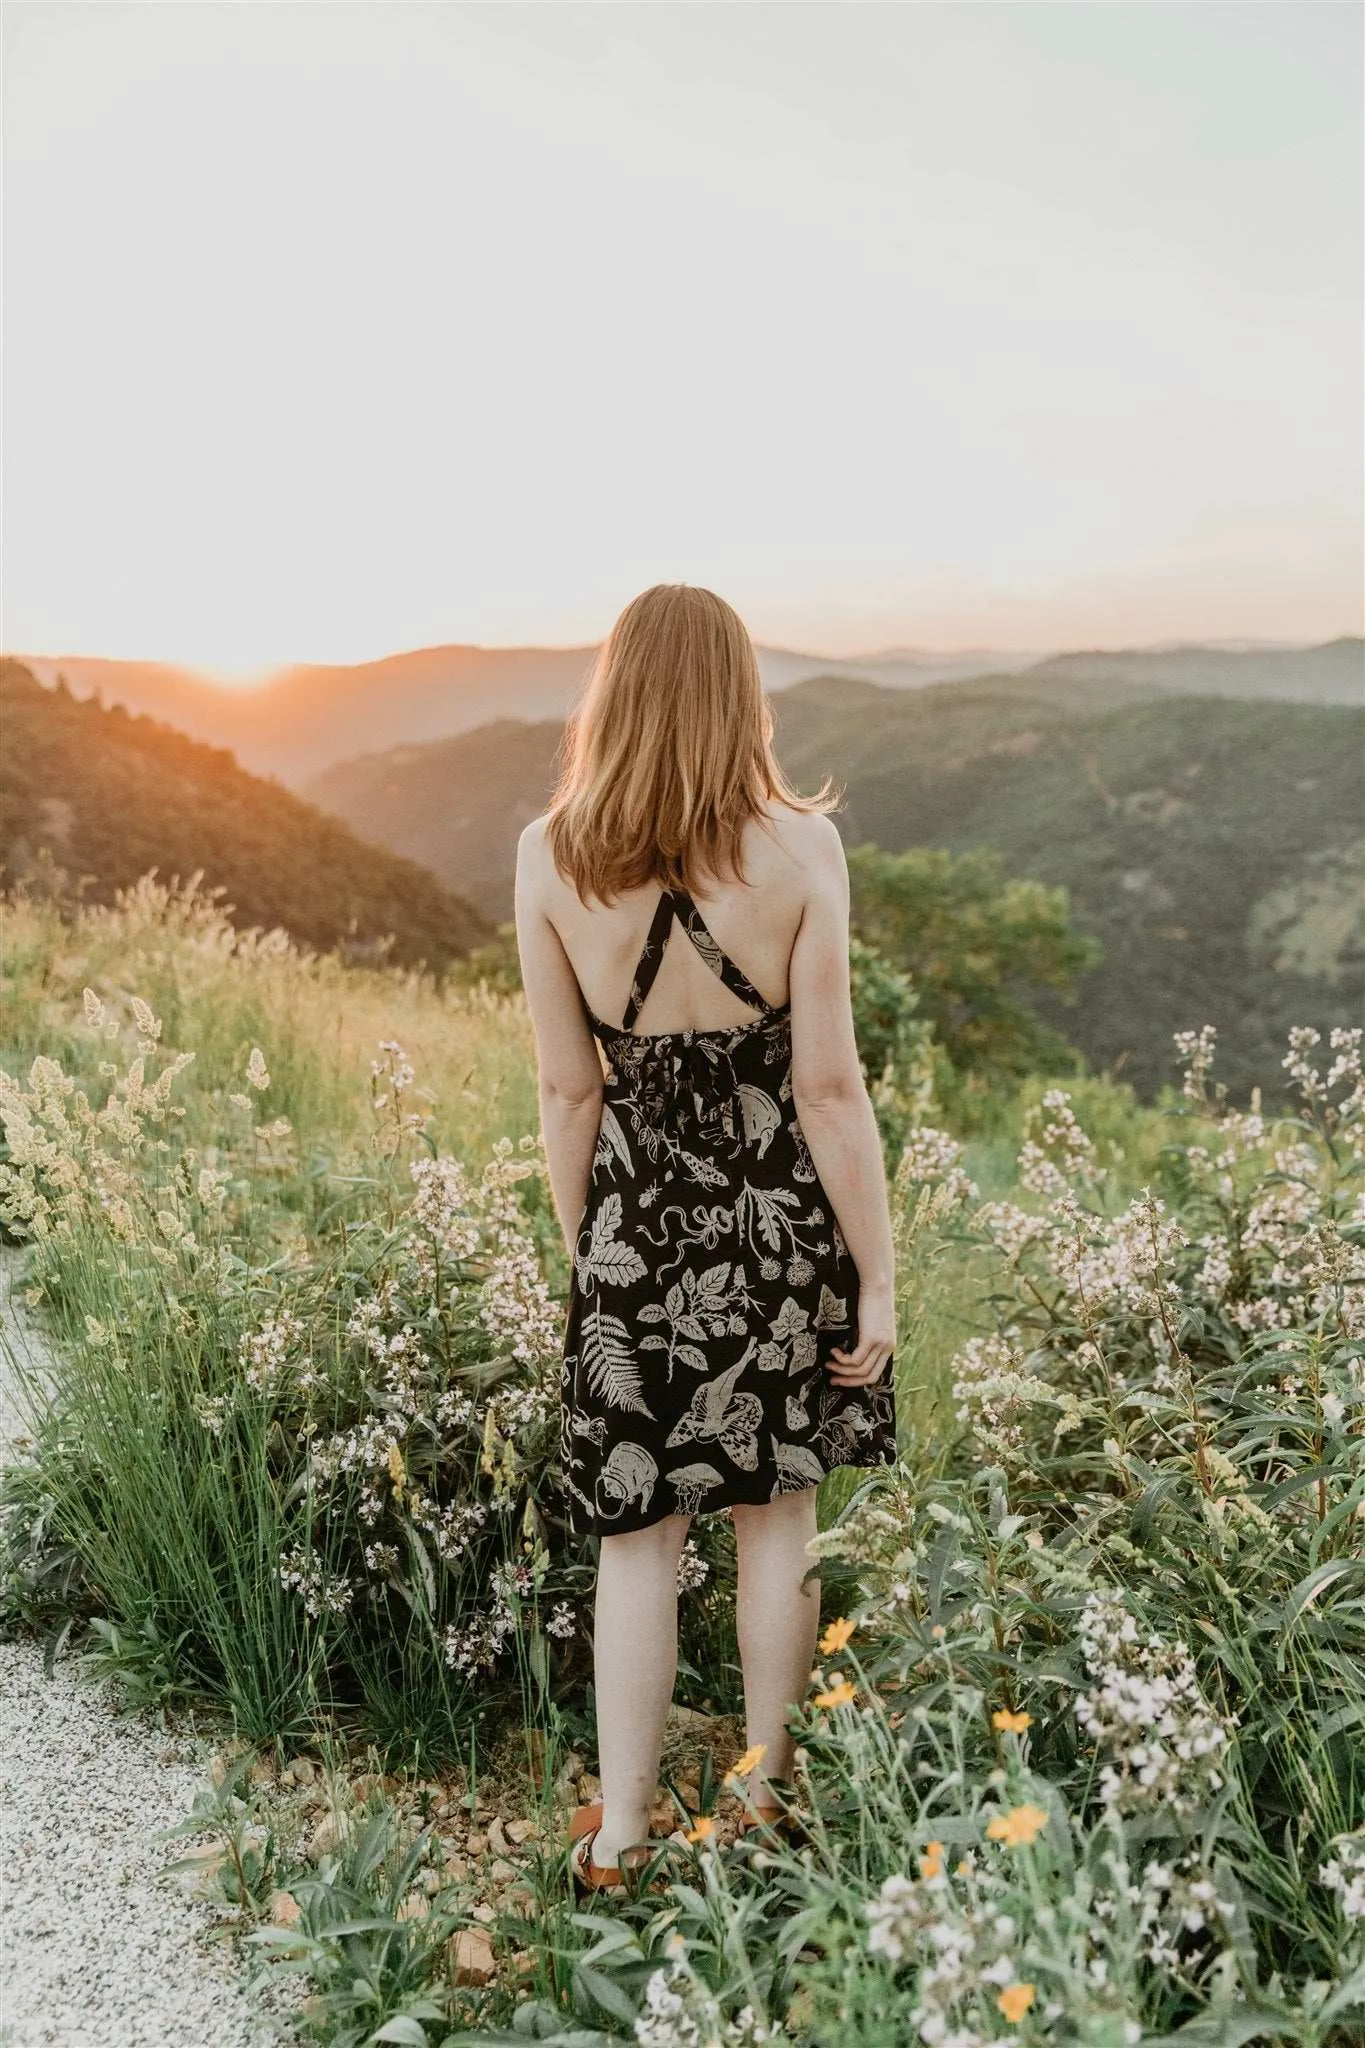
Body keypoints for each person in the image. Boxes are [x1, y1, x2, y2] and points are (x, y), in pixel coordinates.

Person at [514, 583, 897, 1892]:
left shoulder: (548, 856)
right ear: (741, 695)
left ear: (612, 691)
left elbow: (571, 1093)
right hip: (779, 1232)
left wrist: (595, 1258)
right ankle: (769, 1811)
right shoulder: (803, 856)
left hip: (635, 1238)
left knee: (640, 1539)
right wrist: (878, 1277)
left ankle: (623, 1840)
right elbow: (831, 1092)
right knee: (774, 1522)